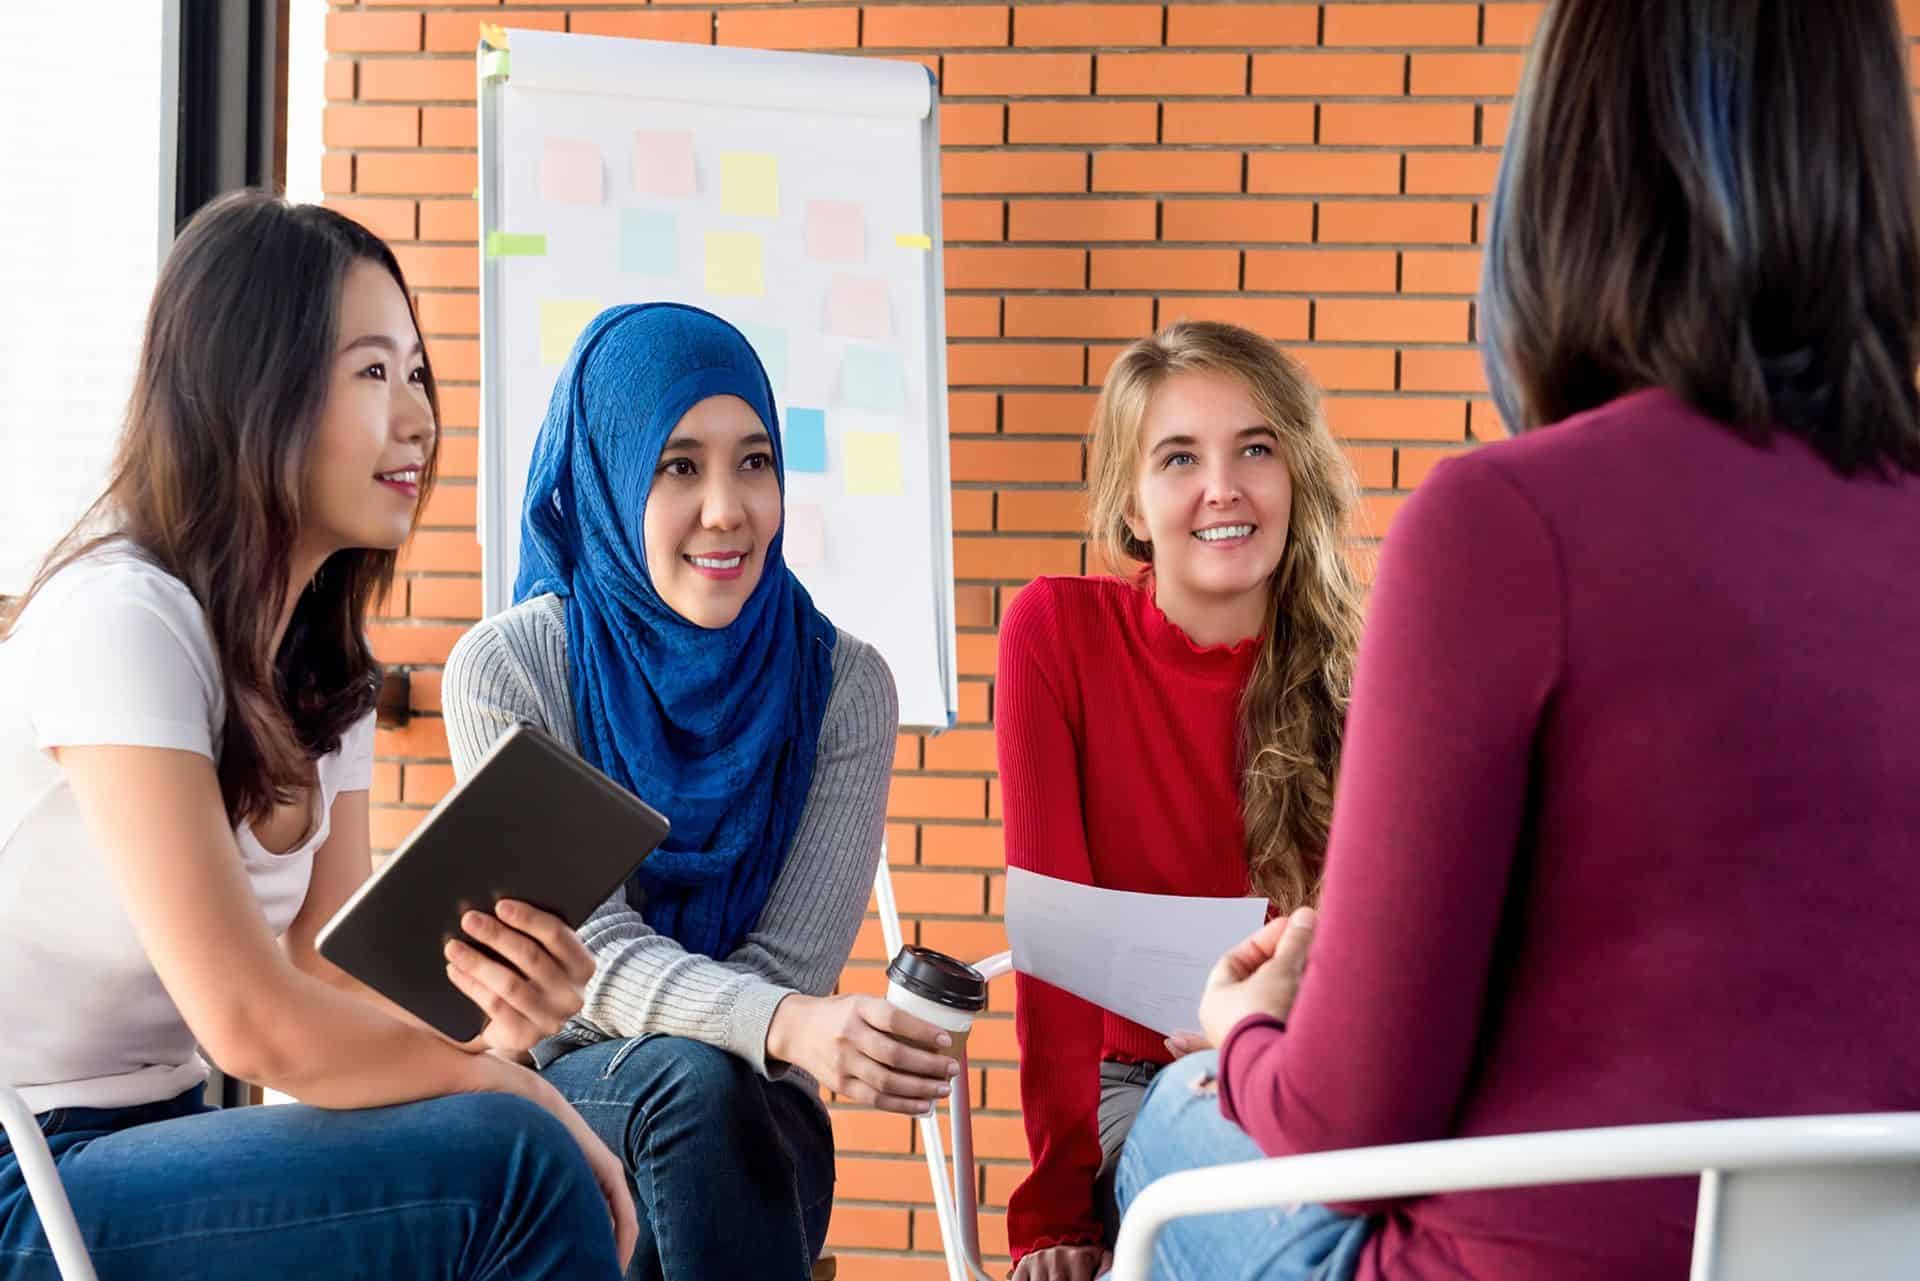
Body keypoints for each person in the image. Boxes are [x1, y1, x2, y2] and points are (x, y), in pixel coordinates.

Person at [1114, 1, 1920, 1278]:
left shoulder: (1504, 527)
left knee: (1171, 1126)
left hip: (1521, 1254)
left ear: (1569, 169)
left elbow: (1348, 1114)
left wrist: (1248, 1026)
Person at [0, 191, 634, 1280]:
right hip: (24, 1174)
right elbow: (250, 1020)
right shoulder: (121, 620)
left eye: (419, 372)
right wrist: (501, 1087)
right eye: (373, 371)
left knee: (517, 1135)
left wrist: (495, 1031)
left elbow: (319, 971)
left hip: (155, 1135)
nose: (420, 417)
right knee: (516, 1157)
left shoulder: (317, 670)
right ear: (257, 390)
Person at [441, 302, 957, 1281]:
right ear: (607, 473)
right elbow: (580, 954)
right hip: (558, 1082)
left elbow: (788, 964)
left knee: (718, 1096)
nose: (727, 508)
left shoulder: (844, 688)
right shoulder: (508, 669)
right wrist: (781, 1025)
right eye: (679, 466)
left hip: (756, 1110)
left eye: (754, 461)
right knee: (694, 1089)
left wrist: (781, 1024)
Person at [995, 320, 1365, 1280]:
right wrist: (1054, 1216)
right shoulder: (1055, 635)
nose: (1223, 487)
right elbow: (1057, 957)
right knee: (1305, 1227)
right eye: (1178, 458)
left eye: (1255, 448)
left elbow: (1393, 944)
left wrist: (1263, 1022)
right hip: (1144, 1083)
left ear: (1297, 475)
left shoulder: (1368, 672)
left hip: (1323, 1066)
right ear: (1131, 503)